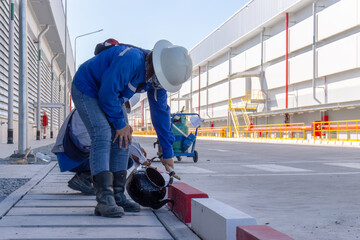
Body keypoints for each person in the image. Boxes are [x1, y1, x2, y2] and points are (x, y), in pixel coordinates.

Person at [71, 39, 192, 218]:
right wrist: (120, 124)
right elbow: (106, 94)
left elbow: (161, 114)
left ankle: (118, 195)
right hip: (87, 88)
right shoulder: (131, 60)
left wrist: (167, 152)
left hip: (112, 95)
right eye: (161, 81)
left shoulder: (156, 79)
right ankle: (104, 199)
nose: (159, 86)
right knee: (103, 134)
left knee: (124, 138)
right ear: (157, 66)